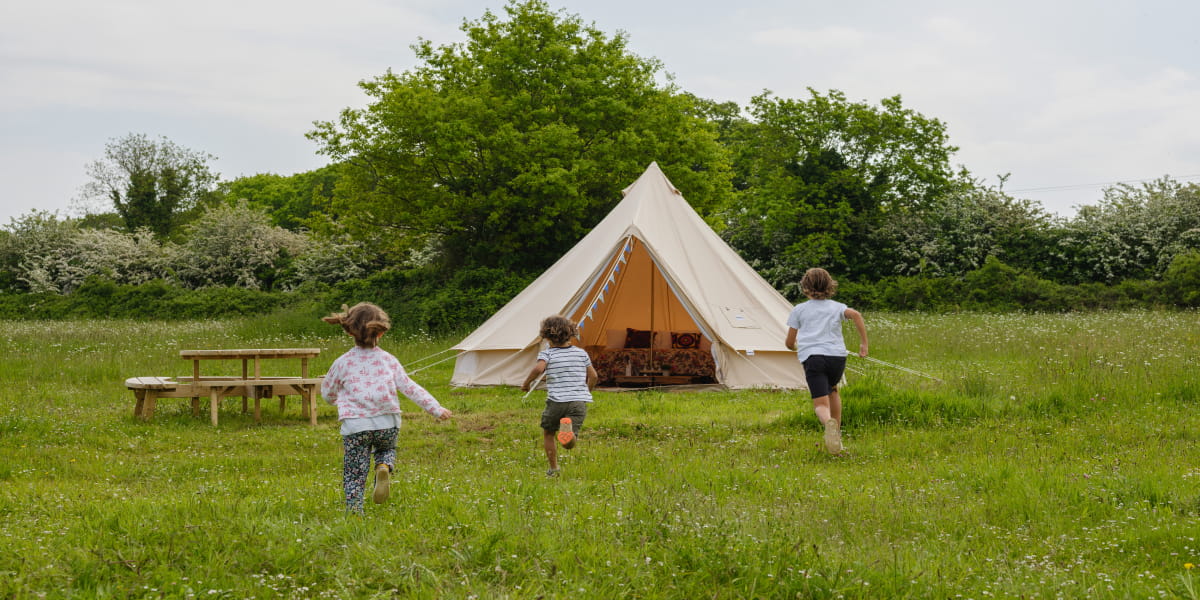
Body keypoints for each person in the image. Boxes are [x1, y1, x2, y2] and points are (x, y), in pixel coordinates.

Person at [321, 302, 452, 513]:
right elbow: (410, 387)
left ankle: (355, 511)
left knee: (355, 471)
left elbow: (327, 391)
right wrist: (435, 408)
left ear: (349, 331)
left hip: (356, 426)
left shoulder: (342, 363)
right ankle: (383, 465)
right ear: (380, 333)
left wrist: (336, 400)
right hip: (388, 424)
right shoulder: (388, 360)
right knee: (386, 448)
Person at [784, 268, 868, 454]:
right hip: (837, 357)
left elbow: (790, 342)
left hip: (814, 358)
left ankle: (828, 423)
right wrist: (864, 344)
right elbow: (856, 315)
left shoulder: (799, 310)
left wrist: (795, 347)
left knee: (821, 404)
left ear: (805, 287)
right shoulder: (838, 307)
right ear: (830, 285)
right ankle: (837, 435)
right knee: (833, 390)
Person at [521, 315, 598, 477]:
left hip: (557, 401)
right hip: (578, 402)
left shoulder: (547, 354)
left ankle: (554, 468)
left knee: (549, 432)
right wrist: (586, 391)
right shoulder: (581, 353)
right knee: (569, 443)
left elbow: (538, 369)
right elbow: (594, 376)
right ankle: (568, 434)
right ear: (571, 333)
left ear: (546, 336)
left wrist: (526, 383)